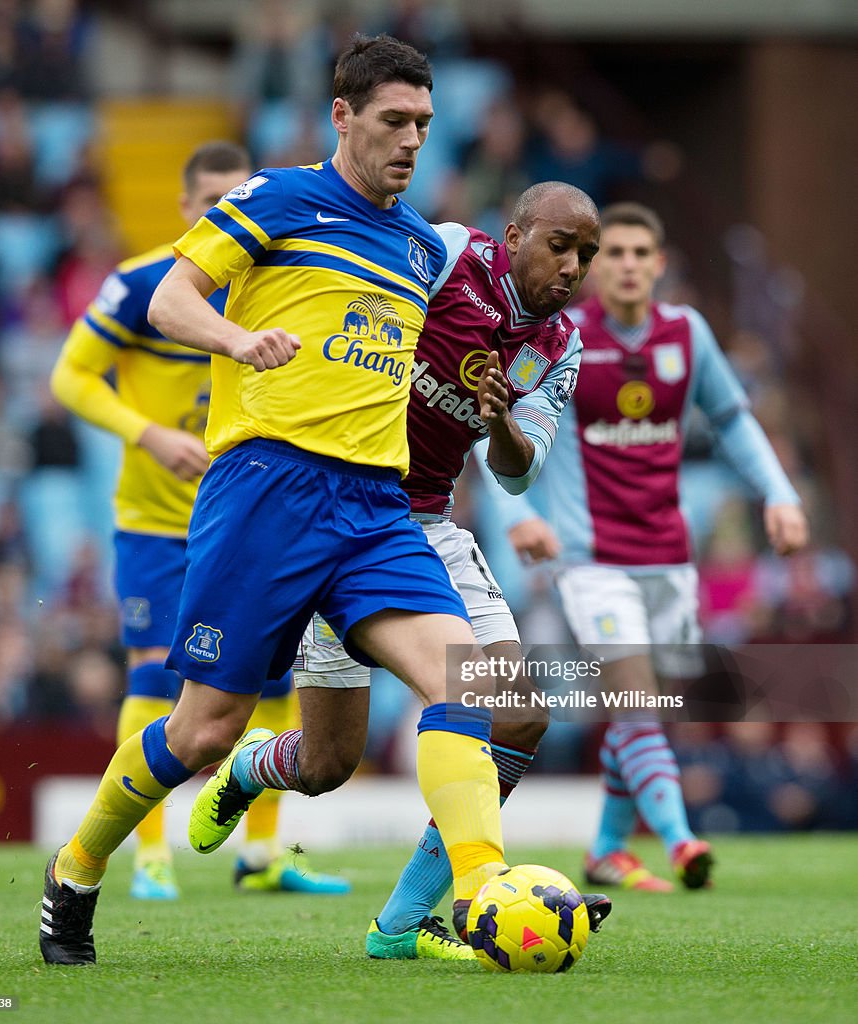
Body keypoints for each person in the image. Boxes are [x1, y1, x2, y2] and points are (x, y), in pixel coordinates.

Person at [39, 33, 507, 967]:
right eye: (392, 122)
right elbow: (173, 302)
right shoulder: (280, 198)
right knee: (204, 728)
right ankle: (77, 868)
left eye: (423, 123)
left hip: (377, 508)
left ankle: (484, 891)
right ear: (342, 117)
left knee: (472, 684)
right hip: (266, 493)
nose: (412, 141)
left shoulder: (422, 246)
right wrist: (237, 339)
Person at [288, 180, 605, 958]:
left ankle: (404, 922)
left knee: (522, 714)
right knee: (327, 763)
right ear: (515, 233)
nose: (573, 267)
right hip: (346, 509)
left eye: (585, 255)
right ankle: (247, 772)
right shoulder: (449, 252)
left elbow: (518, 472)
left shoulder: (560, 346)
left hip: (428, 523)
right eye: (559, 245)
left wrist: (499, 420)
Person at [479, 202, 809, 892]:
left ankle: (605, 848)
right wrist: (520, 513)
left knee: (649, 708)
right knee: (637, 702)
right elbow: (494, 422)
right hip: (589, 560)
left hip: (669, 557)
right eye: (612, 254)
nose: (625, 265)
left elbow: (733, 419)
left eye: (638, 253)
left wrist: (779, 493)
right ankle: (682, 839)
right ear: (596, 268)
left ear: (658, 265)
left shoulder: (686, 335)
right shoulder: (560, 340)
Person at [48, 141, 346, 903]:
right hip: (156, 520)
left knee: (274, 679)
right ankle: (148, 853)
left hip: (249, 518)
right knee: (155, 672)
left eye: (233, 201)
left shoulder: (281, 282)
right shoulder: (144, 283)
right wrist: (145, 432)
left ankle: (264, 854)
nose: (222, 215)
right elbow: (70, 375)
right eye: (209, 202)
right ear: (185, 209)